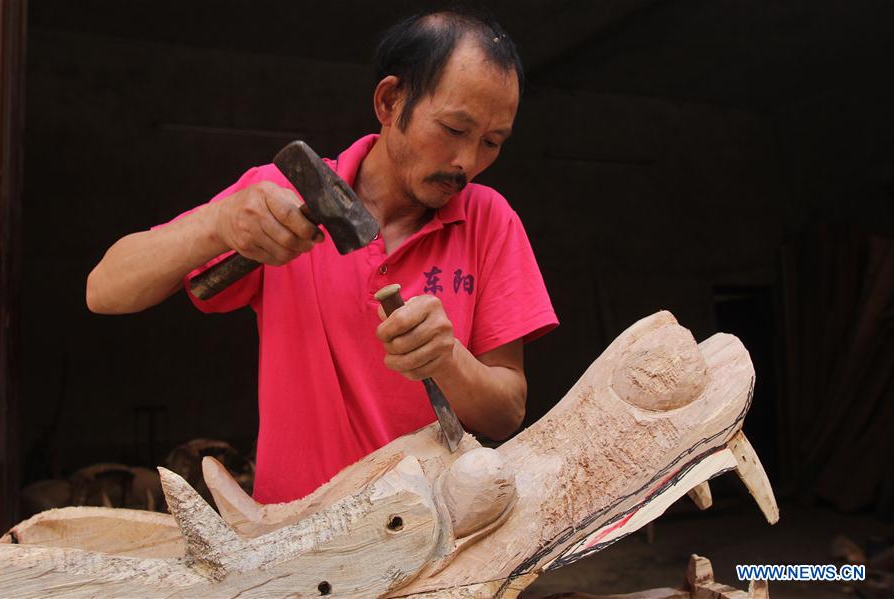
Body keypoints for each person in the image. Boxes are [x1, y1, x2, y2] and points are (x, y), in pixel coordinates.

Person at [86, 9, 558, 504]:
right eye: (453, 129)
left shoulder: (490, 221)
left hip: (435, 538)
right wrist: (218, 223)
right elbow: (105, 291)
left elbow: (507, 412)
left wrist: (448, 359)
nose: (467, 162)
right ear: (391, 100)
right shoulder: (279, 199)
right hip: (295, 538)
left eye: (491, 142)